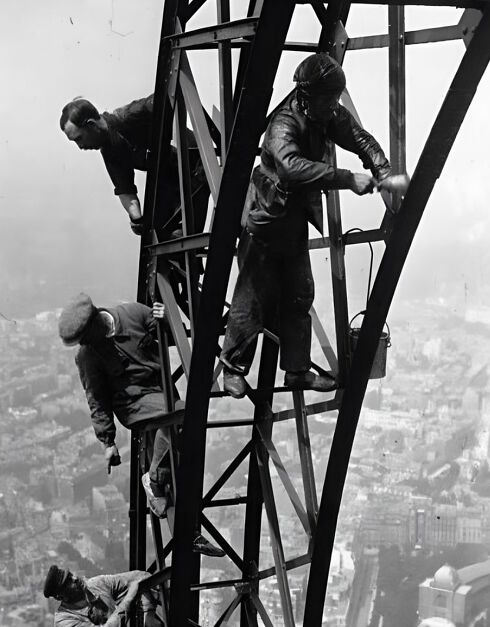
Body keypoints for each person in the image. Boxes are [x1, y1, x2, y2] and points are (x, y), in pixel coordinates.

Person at [220, 53, 393, 398]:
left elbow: (358, 137)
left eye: (335, 100)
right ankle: (233, 370)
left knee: (300, 295)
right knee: (251, 299)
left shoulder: (323, 113)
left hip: (293, 222)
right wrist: (347, 179)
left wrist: (382, 169)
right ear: (308, 95)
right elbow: (291, 168)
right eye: (328, 100)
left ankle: (297, 371)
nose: (334, 107)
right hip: (265, 224)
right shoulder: (283, 125)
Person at [58, 292, 224, 557]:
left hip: (162, 393)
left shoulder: (132, 313)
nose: (85, 343)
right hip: (133, 404)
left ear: (96, 321)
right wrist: (108, 442)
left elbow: (171, 338)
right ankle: (156, 480)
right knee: (182, 418)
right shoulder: (88, 355)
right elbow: (97, 399)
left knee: (182, 451)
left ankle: (188, 530)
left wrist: (166, 319)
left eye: (85, 336)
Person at [59, 94, 206, 237]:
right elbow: (126, 191)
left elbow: (169, 96)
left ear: (91, 125)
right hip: (170, 179)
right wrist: (137, 219)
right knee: (163, 238)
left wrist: (174, 135)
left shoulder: (128, 115)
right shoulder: (111, 152)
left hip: (195, 163)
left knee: (179, 236)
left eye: (79, 138)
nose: (80, 146)